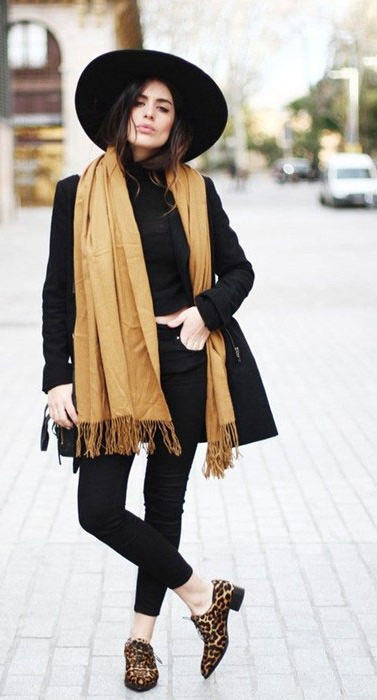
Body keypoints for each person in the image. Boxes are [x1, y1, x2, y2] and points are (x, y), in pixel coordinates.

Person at [42, 50, 277, 692]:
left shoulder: (194, 191)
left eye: (163, 107)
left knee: (162, 506)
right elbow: (58, 292)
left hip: (182, 365)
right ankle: (204, 595)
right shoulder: (76, 194)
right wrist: (56, 376)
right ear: (123, 112)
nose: (149, 115)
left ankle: (140, 642)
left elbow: (240, 271)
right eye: (141, 103)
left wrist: (205, 313)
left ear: (177, 125)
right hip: (107, 370)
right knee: (99, 510)